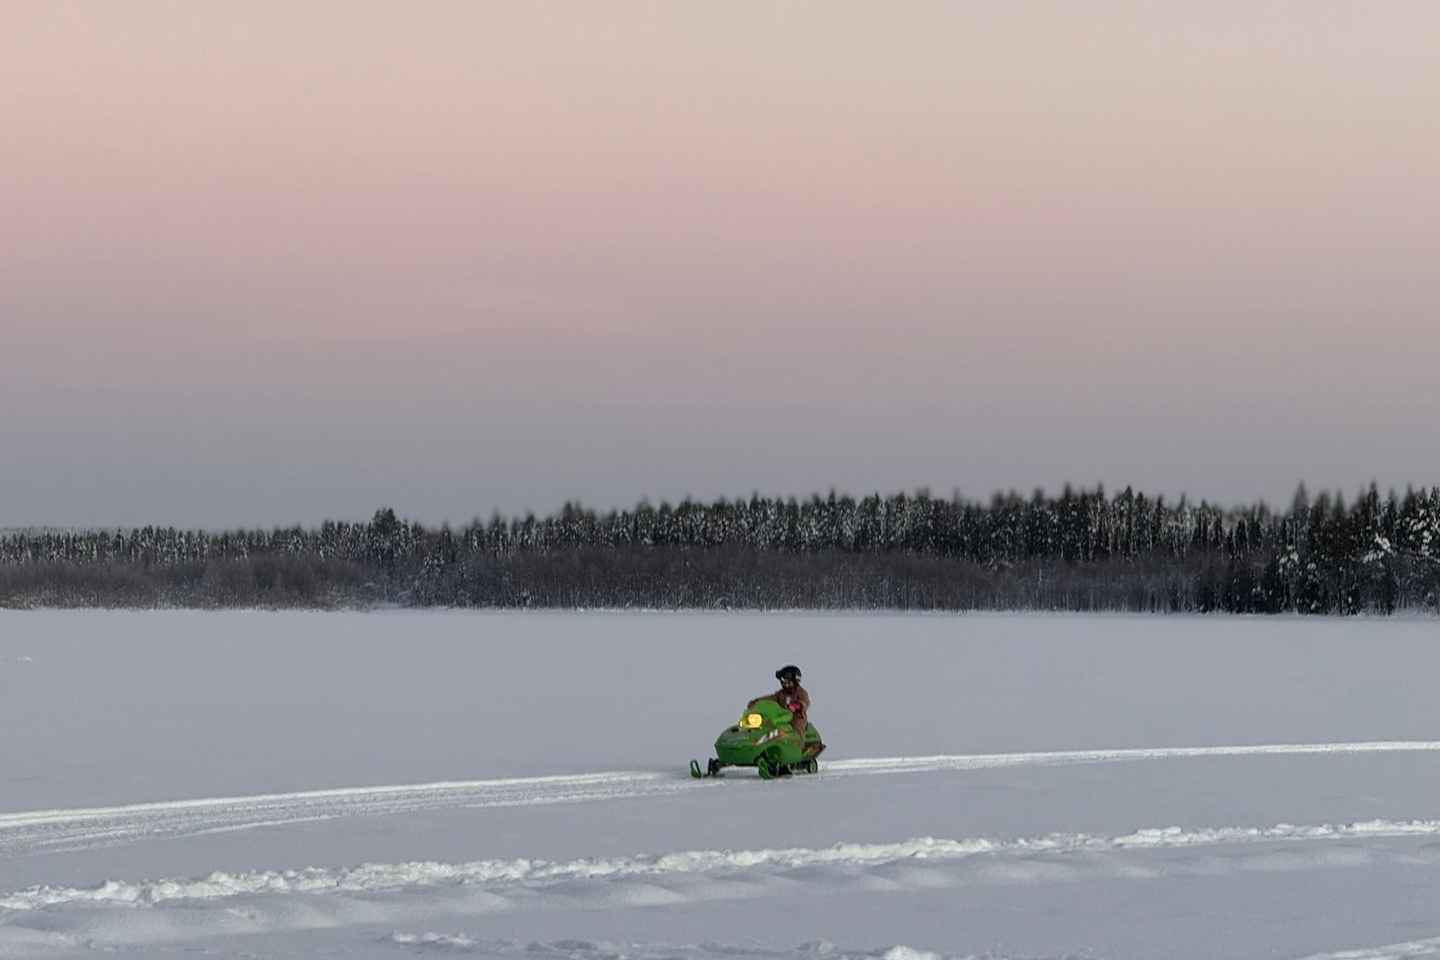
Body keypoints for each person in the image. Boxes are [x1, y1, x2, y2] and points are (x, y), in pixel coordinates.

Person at [749, 664, 823, 757]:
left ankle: (797, 748)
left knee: (797, 727)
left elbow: (805, 701)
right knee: (767, 725)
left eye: (788, 682)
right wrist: (756, 702)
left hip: (796, 717)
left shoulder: (800, 692)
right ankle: (764, 747)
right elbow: (771, 698)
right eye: (783, 682)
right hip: (782, 716)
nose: (785, 684)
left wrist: (798, 705)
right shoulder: (781, 694)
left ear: (795, 681)